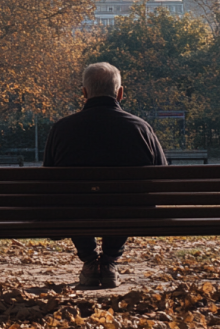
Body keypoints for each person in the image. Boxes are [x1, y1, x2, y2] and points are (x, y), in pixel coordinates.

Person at [43, 62, 167, 288]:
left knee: (70, 202)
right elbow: (163, 178)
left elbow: (48, 182)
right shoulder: (140, 128)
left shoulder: (61, 129)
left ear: (84, 93)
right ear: (120, 93)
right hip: (129, 210)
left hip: (75, 211)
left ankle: (90, 261)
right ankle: (109, 261)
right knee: (127, 201)